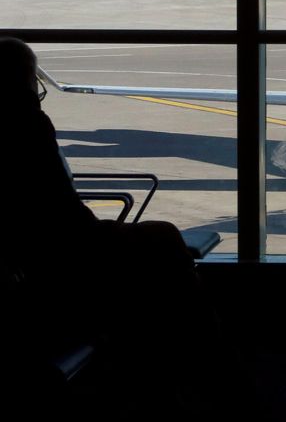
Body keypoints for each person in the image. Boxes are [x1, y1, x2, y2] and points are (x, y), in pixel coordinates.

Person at [0, 37, 254, 418]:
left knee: (161, 252)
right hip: (54, 260)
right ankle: (215, 375)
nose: (37, 95)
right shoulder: (26, 124)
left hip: (37, 256)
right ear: (19, 85)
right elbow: (59, 214)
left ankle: (186, 375)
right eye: (33, 86)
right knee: (165, 244)